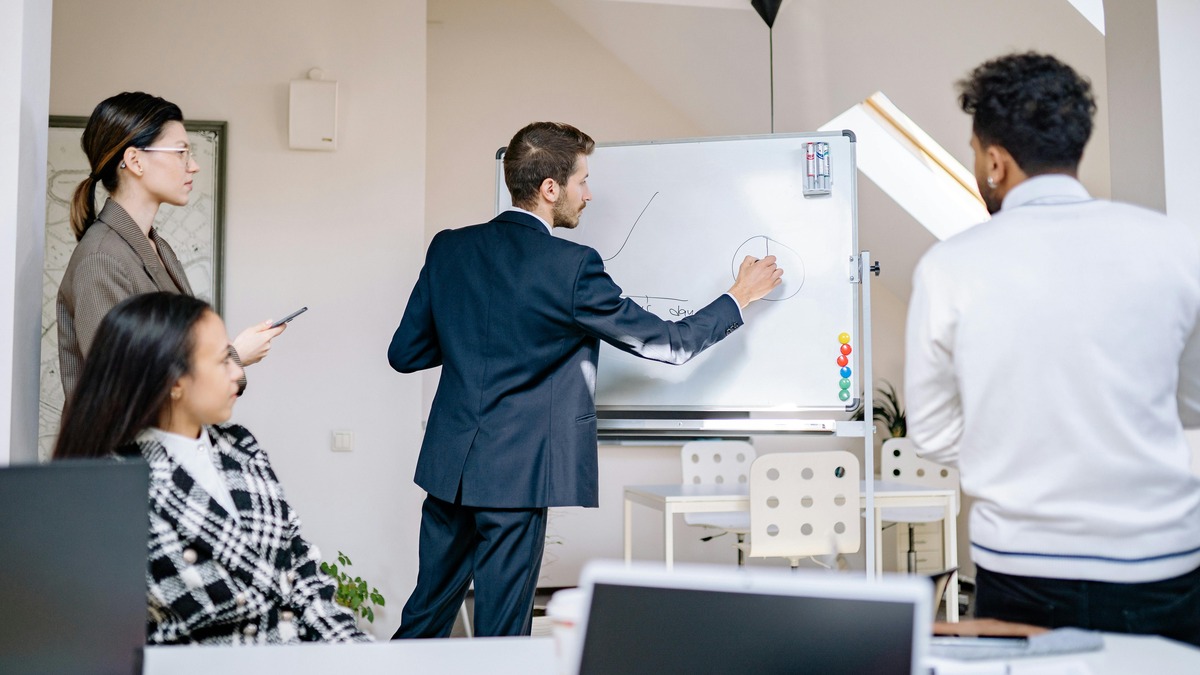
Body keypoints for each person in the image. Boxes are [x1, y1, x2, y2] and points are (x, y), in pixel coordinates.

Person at [388, 121, 782, 638]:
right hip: (515, 478)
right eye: (582, 181)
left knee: (423, 621)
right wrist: (739, 297)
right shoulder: (571, 267)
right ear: (550, 189)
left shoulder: (449, 248)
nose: (588, 194)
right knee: (501, 637)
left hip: (449, 472)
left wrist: (473, 335)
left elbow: (405, 353)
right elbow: (670, 344)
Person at [905, 52, 1200, 644]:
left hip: (1020, 569)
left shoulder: (951, 267)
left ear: (995, 160)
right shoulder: (1175, 245)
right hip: (1161, 564)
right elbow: (1192, 401)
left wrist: (1019, 449)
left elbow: (931, 432)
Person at [53, 292, 370, 645]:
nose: (239, 372)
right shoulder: (116, 487)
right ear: (174, 382)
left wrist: (355, 652)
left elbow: (302, 569)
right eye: (224, 361)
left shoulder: (241, 447)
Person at [57, 91, 283, 399]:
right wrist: (234, 357)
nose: (193, 166)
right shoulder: (102, 258)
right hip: (127, 447)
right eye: (181, 152)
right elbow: (123, 388)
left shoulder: (155, 245)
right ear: (135, 160)